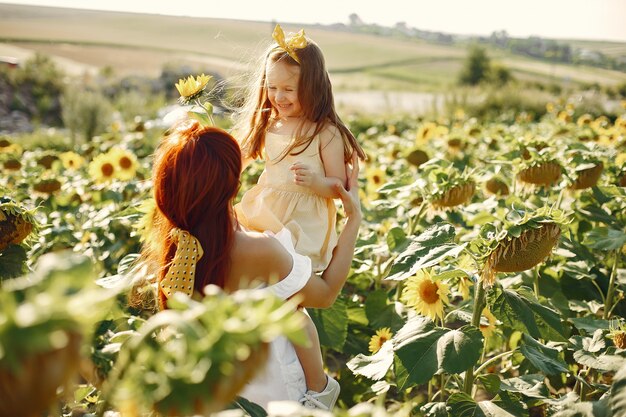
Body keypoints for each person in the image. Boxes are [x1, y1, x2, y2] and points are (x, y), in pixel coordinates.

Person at [145, 121, 361, 410]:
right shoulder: (258, 249)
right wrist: (353, 220)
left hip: (211, 394)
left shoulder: (175, 240)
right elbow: (324, 294)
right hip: (271, 394)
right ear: (232, 183)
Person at [231, 24, 366, 408]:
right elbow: (245, 159)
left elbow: (340, 188)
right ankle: (264, 374)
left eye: (288, 89)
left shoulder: (324, 132)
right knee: (259, 292)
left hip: (301, 221)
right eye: (272, 87)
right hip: (265, 212)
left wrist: (317, 182)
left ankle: (317, 388)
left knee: (291, 303)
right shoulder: (268, 123)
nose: (278, 96)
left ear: (313, 87)